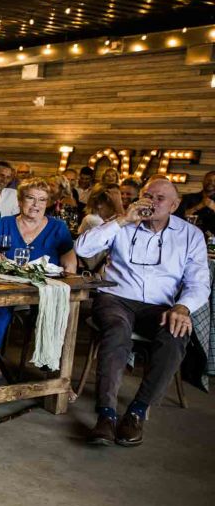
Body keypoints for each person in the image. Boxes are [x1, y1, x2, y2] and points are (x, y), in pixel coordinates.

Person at [76, 178, 210, 446]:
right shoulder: (123, 223)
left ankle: (136, 412)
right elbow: (82, 249)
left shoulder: (190, 235)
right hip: (116, 298)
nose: (152, 201)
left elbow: (199, 282)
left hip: (160, 306)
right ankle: (106, 415)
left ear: (175, 204)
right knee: (117, 331)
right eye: (148, 195)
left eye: (160, 198)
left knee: (176, 335)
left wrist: (182, 307)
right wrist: (122, 220)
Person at [0, 178, 78, 378]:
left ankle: (56, 371)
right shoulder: (5, 223)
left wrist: (69, 270)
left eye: (42, 200)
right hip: (7, 284)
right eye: (30, 198)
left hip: (44, 287)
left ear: (48, 203)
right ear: (20, 201)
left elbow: (69, 257)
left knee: (58, 311)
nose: (36, 205)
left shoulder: (57, 227)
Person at [176, 170, 215, 236]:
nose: (211, 182)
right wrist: (198, 206)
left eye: (214, 180)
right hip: (188, 236)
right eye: (208, 180)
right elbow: (177, 217)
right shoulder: (188, 198)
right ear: (203, 181)